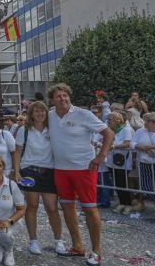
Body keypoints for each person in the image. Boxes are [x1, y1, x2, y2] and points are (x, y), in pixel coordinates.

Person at [48, 83, 114, 265]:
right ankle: (77, 247)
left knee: (90, 208)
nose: (63, 99)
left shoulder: (83, 114)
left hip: (84, 169)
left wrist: (101, 156)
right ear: (52, 100)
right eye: (58, 96)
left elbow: (108, 133)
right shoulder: (50, 115)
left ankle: (97, 251)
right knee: (68, 208)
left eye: (65, 95)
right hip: (60, 170)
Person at [11, 101, 65, 255]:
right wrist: (16, 171)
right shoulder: (24, 130)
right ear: (31, 114)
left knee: (52, 208)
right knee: (32, 205)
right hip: (29, 170)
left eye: (42, 111)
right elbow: (17, 150)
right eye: (36, 111)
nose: (40, 114)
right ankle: (33, 241)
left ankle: (58, 241)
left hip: (49, 170)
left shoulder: (52, 129)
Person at [130, 112, 155, 221]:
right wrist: (142, 147)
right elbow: (132, 144)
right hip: (144, 164)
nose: (145, 123)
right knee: (146, 188)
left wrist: (153, 147)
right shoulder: (140, 131)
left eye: (147, 121)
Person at [104, 112, 134, 214]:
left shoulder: (126, 129)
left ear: (117, 120)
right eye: (107, 120)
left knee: (123, 183)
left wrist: (114, 146)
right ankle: (121, 203)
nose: (108, 122)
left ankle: (128, 204)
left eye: (110, 120)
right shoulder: (110, 130)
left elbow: (127, 143)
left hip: (123, 162)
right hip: (112, 160)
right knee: (116, 183)